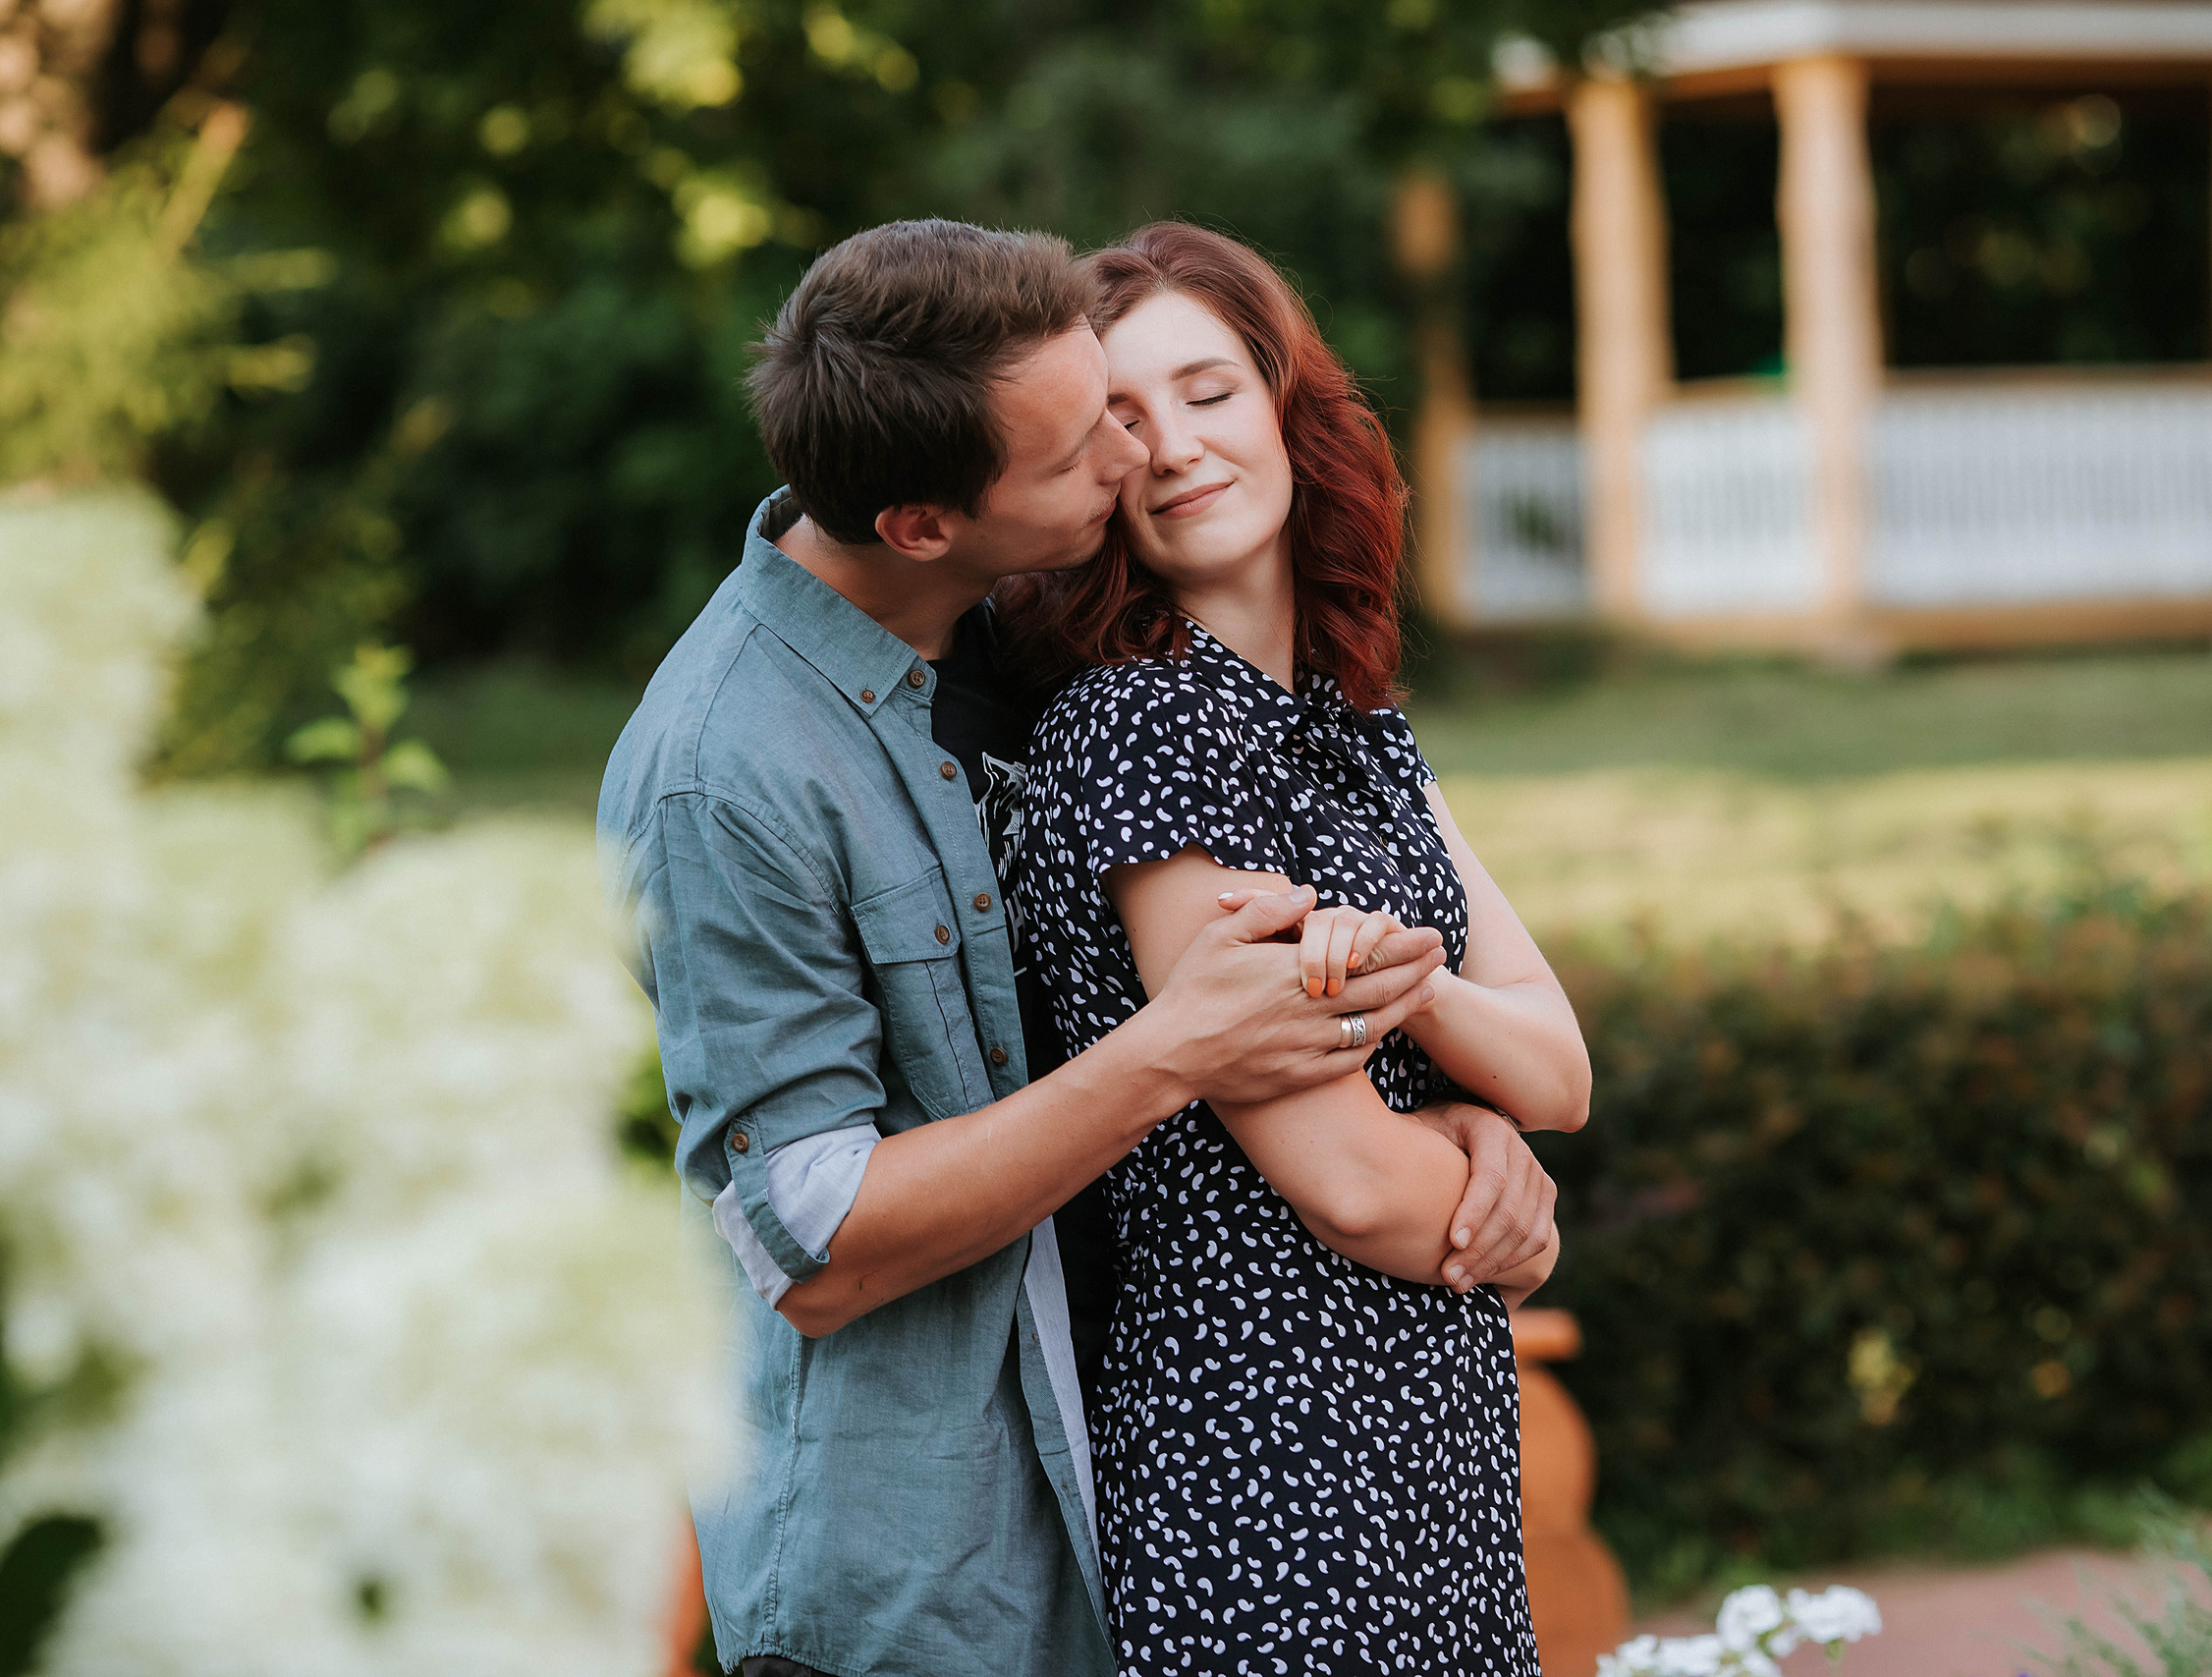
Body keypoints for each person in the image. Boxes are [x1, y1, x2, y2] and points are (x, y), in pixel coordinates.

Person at [598, 219, 1562, 1677]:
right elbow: (811, 1238)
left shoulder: (993, 642)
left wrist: (1483, 1131)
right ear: (925, 522)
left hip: (1100, 1506)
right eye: (1089, 441)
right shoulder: (727, 769)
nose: (1139, 459)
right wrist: (1176, 1054)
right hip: (910, 1575)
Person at [1003, 222, 1593, 1676]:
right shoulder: (1142, 722)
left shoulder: (1353, 722)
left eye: (1208, 391)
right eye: (1120, 421)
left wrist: (1421, 1000)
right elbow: (1345, 1184)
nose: (1174, 448)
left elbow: (1560, 1068)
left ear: (1284, 403)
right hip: (1267, 1455)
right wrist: (1500, 1185)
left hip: (1427, 1443)